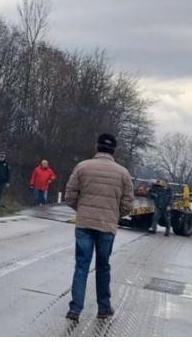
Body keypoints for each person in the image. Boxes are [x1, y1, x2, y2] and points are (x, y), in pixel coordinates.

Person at [63, 132, 134, 322]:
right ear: (114, 151)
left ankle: (75, 309)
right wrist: (115, 215)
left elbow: (69, 195)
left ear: (96, 147)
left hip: (85, 224)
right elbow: (128, 204)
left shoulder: (82, 167)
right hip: (107, 226)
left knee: (81, 266)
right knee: (103, 267)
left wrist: (83, 209)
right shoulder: (123, 173)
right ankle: (103, 308)